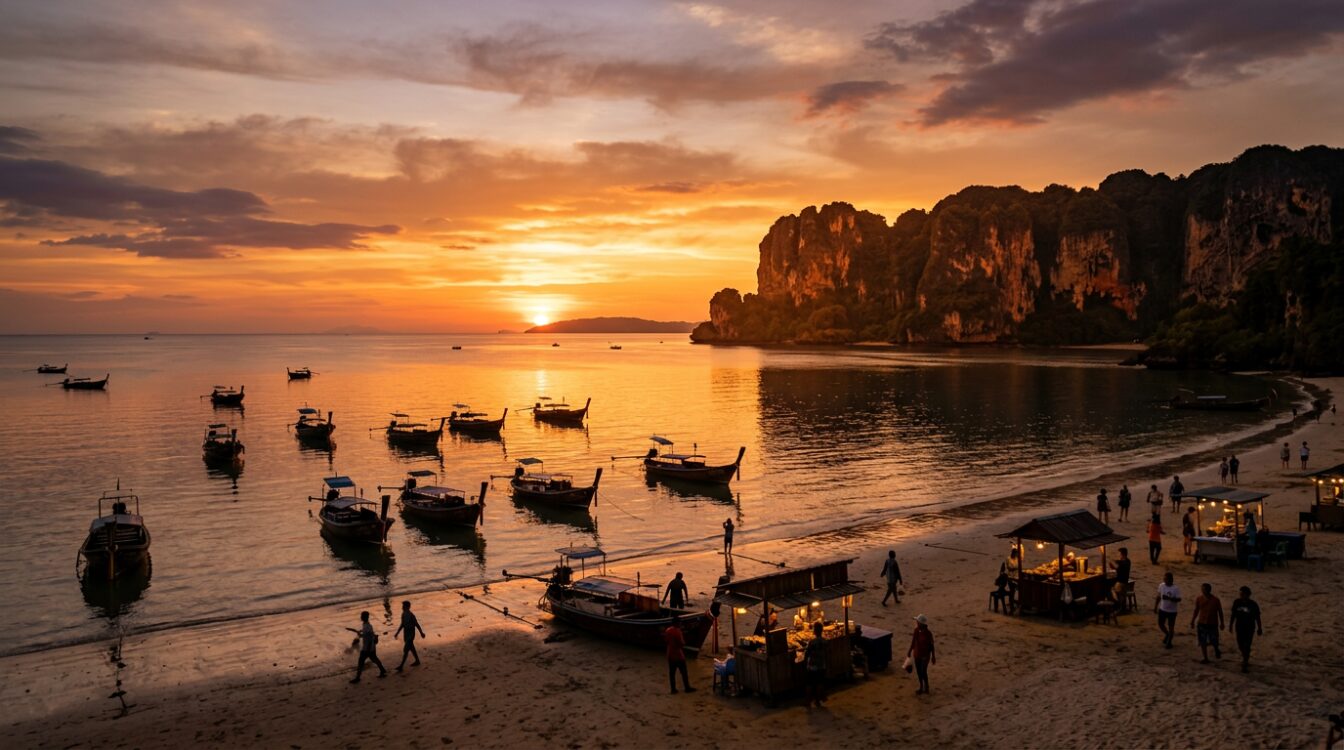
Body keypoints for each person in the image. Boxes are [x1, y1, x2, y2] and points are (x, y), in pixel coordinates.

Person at [1228, 585, 1263, 673]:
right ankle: (1245, 657)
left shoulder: (1253, 604)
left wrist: (1259, 628)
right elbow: (1233, 615)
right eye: (1240, 593)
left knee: (1247, 645)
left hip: (1249, 627)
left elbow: (1257, 617)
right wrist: (1230, 625)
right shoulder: (1237, 602)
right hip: (1239, 627)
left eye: (1243, 594)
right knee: (1240, 644)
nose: (1241, 595)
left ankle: (1245, 662)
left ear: (1248, 595)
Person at [346, 611, 386, 683]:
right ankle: (382, 670)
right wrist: (359, 633)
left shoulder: (367, 626)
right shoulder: (366, 625)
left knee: (361, 661)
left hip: (367, 648)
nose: (361, 617)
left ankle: (358, 678)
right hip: (370, 647)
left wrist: (368, 648)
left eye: (362, 616)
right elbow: (367, 635)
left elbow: (370, 638)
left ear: (364, 617)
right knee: (374, 659)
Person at [1190, 582, 1224, 664]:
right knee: (1203, 641)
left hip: (1212, 624)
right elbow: (1196, 610)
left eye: (1203, 589)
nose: (1202, 590)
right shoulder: (1199, 599)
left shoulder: (1216, 600)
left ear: (1208, 590)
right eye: (1202, 589)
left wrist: (1222, 623)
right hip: (1202, 623)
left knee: (1214, 640)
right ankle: (1205, 658)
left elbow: (1220, 612)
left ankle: (1216, 649)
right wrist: (1192, 620)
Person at [664, 614, 695, 694]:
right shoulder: (677, 632)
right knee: (684, 672)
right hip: (678, 655)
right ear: (678, 623)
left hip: (670, 654)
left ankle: (673, 689)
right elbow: (682, 643)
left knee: (672, 673)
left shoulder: (668, 630)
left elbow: (666, 641)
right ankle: (687, 687)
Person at [393, 600, 426, 671]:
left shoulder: (411, 615)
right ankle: (417, 661)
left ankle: (401, 666)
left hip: (411, 634)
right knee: (411, 648)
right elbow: (402, 624)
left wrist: (421, 633)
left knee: (406, 649)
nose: (402, 607)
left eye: (403, 606)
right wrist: (397, 633)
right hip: (406, 634)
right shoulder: (403, 614)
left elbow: (416, 624)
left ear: (407, 607)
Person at [908, 614, 935, 695]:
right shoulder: (916, 630)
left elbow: (931, 646)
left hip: (925, 655)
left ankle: (926, 686)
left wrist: (933, 656)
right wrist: (909, 651)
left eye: (917, 622)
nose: (916, 623)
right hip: (917, 654)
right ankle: (921, 686)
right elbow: (913, 641)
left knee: (923, 671)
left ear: (921, 623)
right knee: (919, 671)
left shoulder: (928, 633)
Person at [1154, 572, 1181, 649]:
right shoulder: (1161, 586)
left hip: (1172, 611)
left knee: (1171, 626)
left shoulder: (1175, 588)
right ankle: (1168, 634)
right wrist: (1155, 606)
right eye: (1164, 578)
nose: (1164, 580)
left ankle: (1169, 642)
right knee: (1160, 624)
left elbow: (1179, 599)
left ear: (1170, 580)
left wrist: (1169, 598)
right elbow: (1158, 596)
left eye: (1165, 579)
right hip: (1163, 609)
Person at [804, 622, 827, 707]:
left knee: (809, 683)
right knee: (819, 683)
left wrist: (805, 663)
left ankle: (808, 702)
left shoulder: (812, 642)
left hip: (812, 665)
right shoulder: (825, 641)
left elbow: (807, 653)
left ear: (815, 631)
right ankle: (817, 701)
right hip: (821, 665)